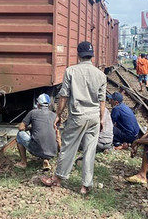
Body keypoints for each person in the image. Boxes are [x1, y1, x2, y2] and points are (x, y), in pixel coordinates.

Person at [41, 41, 107, 194]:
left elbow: (64, 96)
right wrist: (102, 119)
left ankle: (58, 178)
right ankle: (86, 185)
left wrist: (58, 115)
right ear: (92, 55)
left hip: (78, 115)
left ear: (78, 54)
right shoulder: (101, 75)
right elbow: (102, 100)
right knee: (90, 151)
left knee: (68, 146)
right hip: (94, 117)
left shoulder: (71, 71)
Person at [15, 93, 58, 170]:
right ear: (49, 105)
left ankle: (23, 162)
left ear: (38, 104)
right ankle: (45, 159)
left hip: (37, 150)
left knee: (20, 135)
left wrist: (30, 128)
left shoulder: (33, 112)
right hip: (53, 151)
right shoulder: (54, 115)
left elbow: (21, 128)